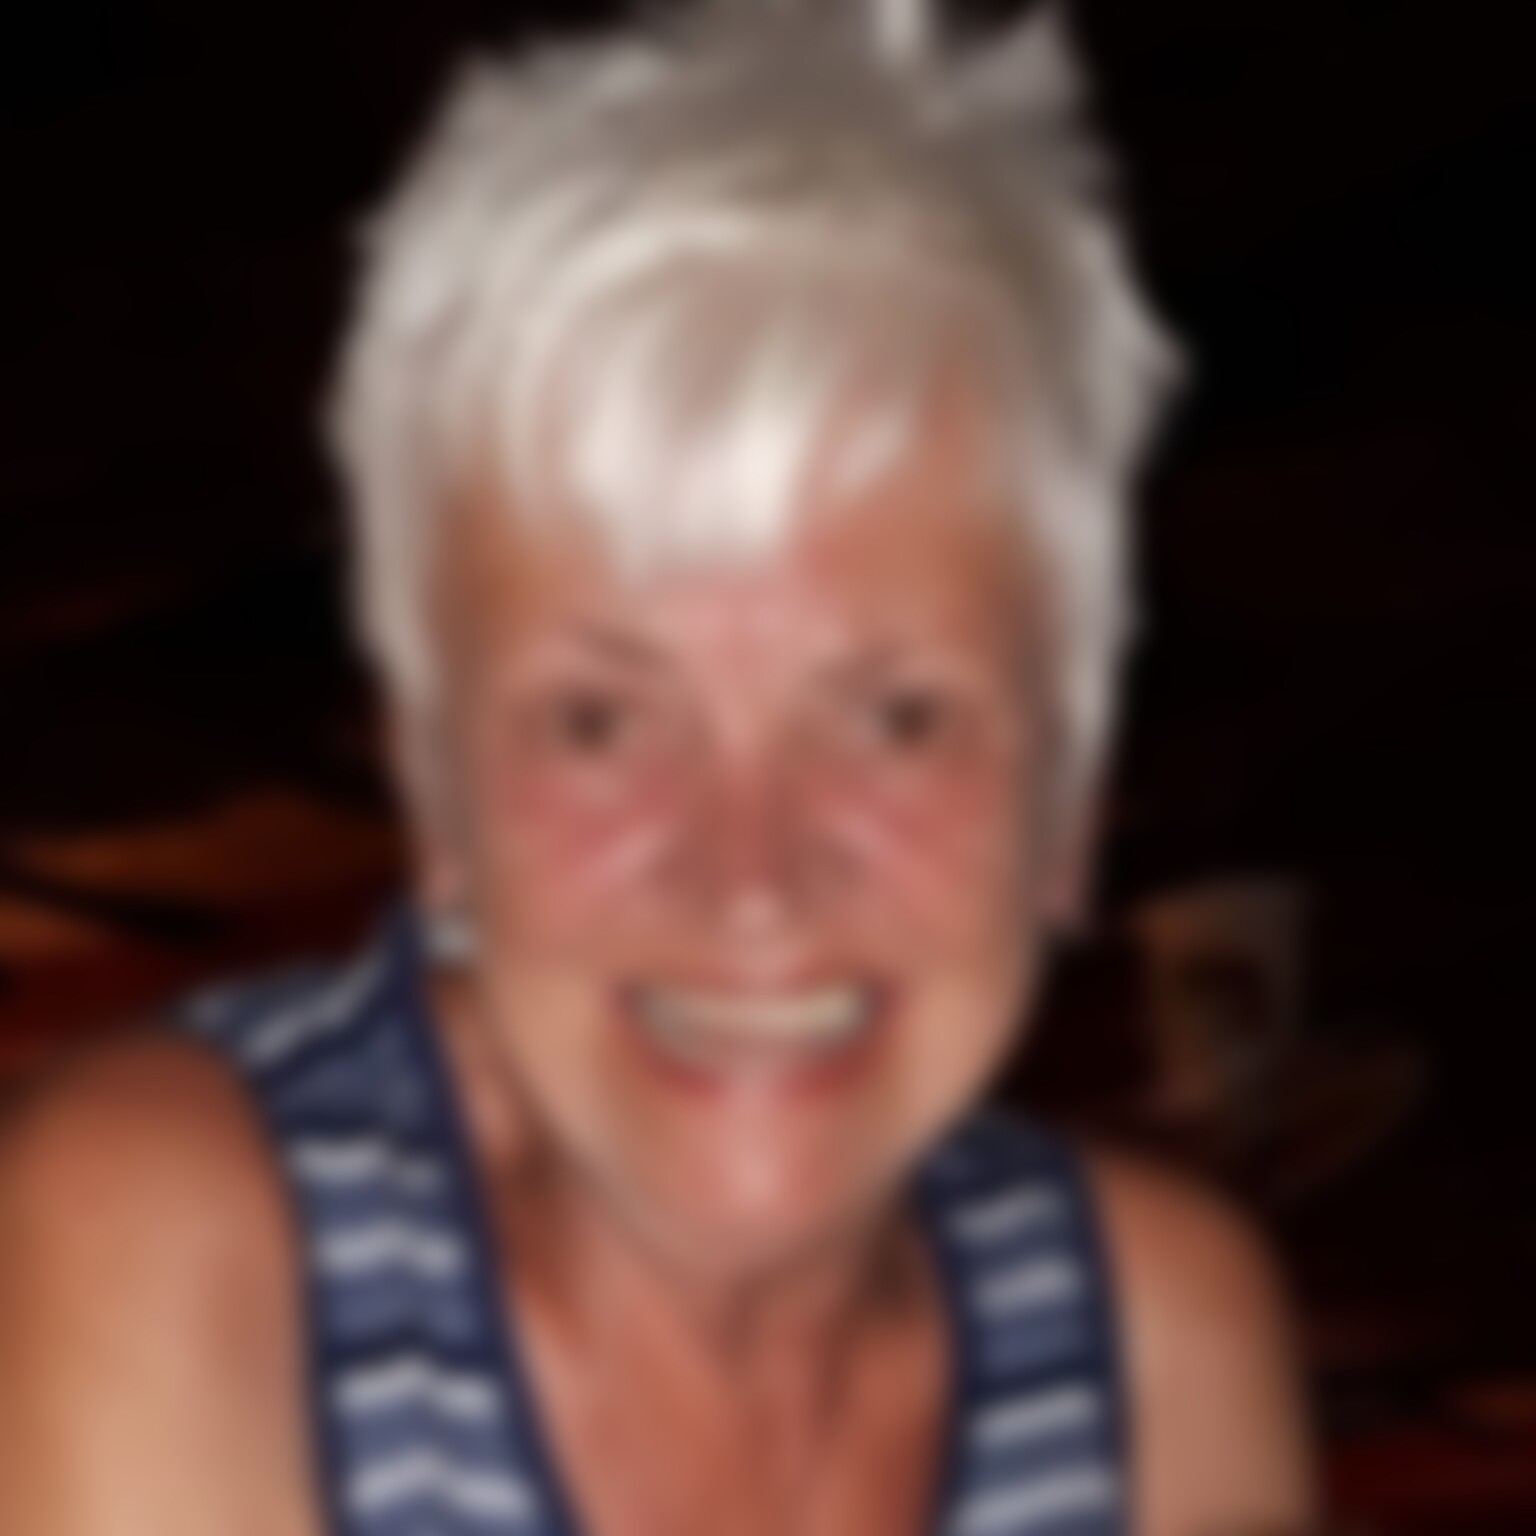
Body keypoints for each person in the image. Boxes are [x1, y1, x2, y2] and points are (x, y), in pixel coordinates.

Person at [0, 3, 1318, 1532]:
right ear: (437, 789)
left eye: (895, 717)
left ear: (1069, 802)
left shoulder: (1160, 1340)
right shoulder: (176, 1235)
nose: (749, 879)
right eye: (600, 721)